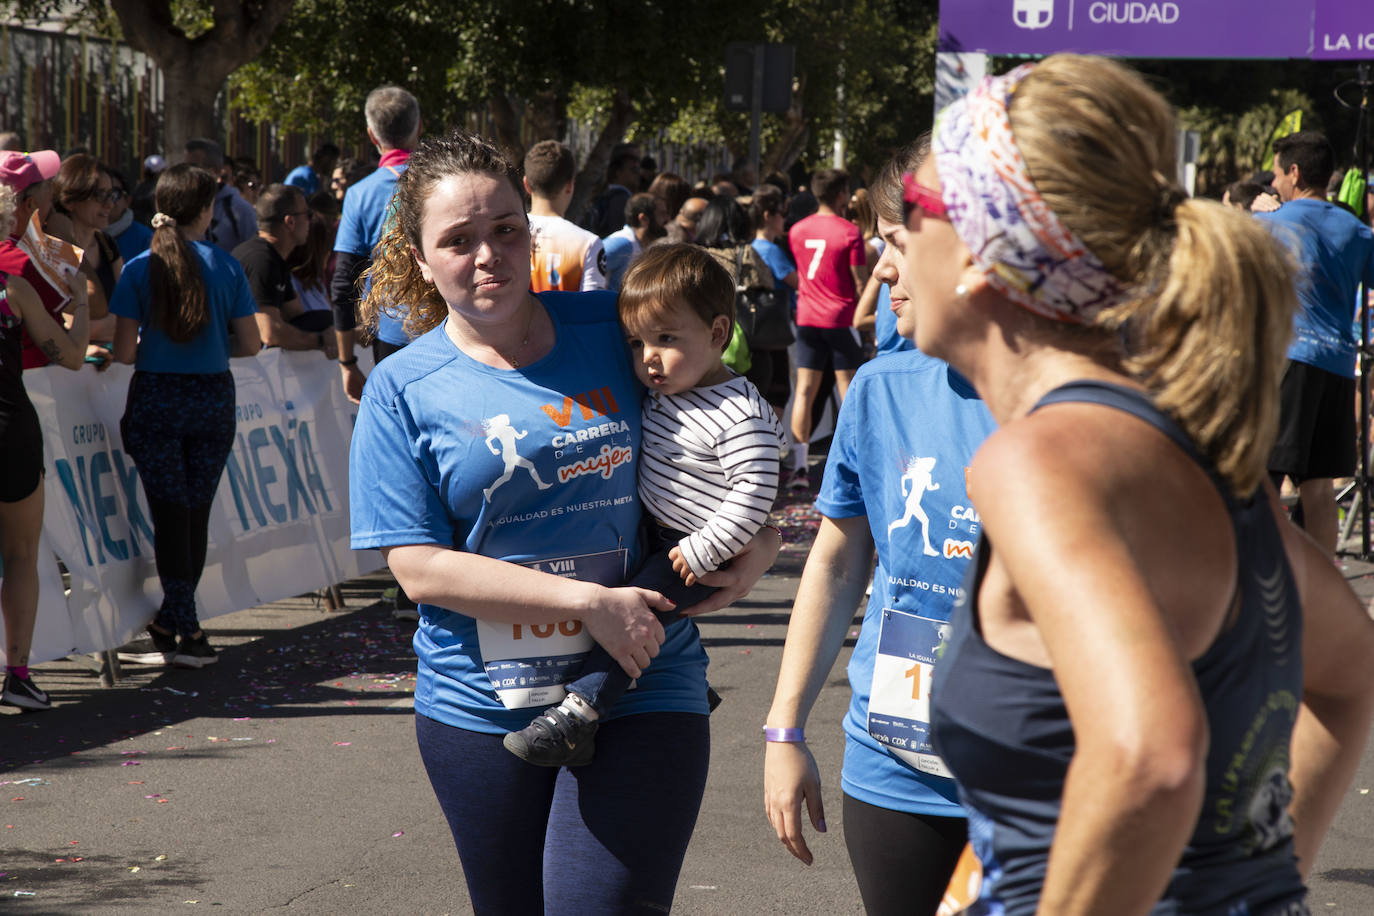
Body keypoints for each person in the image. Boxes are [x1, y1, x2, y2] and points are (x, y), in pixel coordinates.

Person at [902, 56, 1374, 915]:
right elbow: (1348, 673)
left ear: (978, 251)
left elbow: (1148, 756)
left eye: (910, 209)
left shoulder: (1038, 463)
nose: (890, 241)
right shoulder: (1202, 441)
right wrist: (1254, 882)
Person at [347, 129, 780, 913]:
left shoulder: (611, 327)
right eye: (459, 240)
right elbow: (415, 567)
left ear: (531, 230)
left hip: (646, 679)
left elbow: (728, 417)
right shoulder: (402, 388)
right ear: (418, 257)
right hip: (483, 701)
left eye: (506, 230)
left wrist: (764, 540)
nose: (488, 256)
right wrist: (591, 605)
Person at [764, 139, 997, 914]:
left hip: (1038, 786)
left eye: (895, 246)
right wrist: (784, 729)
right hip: (892, 761)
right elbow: (836, 560)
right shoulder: (882, 387)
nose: (882, 275)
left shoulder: (1096, 410)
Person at [502, 243, 783, 767]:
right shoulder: (671, 390)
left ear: (718, 334)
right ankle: (684, 685)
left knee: (631, 622)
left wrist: (707, 548)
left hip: (694, 545)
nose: (648, 357)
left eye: (667, 339)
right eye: (636, 343)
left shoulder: (739, 412)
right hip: (661, 531)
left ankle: (575, 716)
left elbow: (755, 491)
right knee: (642, 615)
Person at [110, 163, 262, 669]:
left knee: (172, 516)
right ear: (205, 210)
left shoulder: (137, 268)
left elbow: (124, 354)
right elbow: (251, 343)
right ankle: (180, 624)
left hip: (156, 397)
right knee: (193, 515)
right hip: (212, 398)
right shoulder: (226, 266)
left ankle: (184, 625)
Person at [1256, 130, 1374, 556]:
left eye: (1276, 176)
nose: (1274, 186)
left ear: (1295, 172)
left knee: (1263, 477)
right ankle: (1323, 584)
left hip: (1292, 359)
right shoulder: (1359, 231)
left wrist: (1255, 212)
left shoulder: (1270, 221)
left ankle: (1262, 578)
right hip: (1339, 365)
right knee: (1318, 483)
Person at [0, 182, 91, 710]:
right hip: (8, 427)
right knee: (19, 554)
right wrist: (78, 300)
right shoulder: (14, 287)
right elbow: (72, 355)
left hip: (11, 428)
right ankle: (17, 673)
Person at [331, 85, 421, 402]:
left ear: (372, 135)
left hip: (392, 338)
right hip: (451, 332)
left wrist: (347, 363)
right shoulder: (444, 183)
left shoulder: (359, 194)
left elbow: (343, 282)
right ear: (419, 127)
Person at [786, 168, 869, 489]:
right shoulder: (849, 232)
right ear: (840, 194)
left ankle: (800, 468)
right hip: (840, 319)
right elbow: (860, 282)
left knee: (804, 392)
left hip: (807, 318)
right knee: (848, 392)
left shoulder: (797, 230)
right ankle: (856, 464)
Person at [232, 183, 335, 356]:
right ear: (290, 222)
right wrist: (321, 340)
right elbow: (269, 333)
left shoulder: (274, 258)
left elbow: (296, 315)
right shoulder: (262, 260)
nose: (310, 221)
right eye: (307, 215)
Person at [523, 140, 607, 292]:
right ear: (570, 185)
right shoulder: (588, 244)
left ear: (526, 184)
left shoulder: (505, 234)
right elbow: (592, 308)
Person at [748, 184, 799, 418]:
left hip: (756, 328)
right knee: (779, 391)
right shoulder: (770, 250)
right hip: (776, 328)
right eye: (781, 213)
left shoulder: (749, 247)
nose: (784, 219)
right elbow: (799, 283)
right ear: (768, 216)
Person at [602, 192, 662, 291]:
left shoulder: (644, 246)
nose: (668, 219)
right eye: (662, 214)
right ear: (643, 219)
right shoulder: (623, 244)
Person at [583, 147, 641, 238]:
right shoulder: (620, 198)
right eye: (633, 169)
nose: (638, 173)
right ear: (618, 172)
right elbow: (617, 233)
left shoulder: (604, 194)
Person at [104, 164, 153, 264]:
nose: (107, 202)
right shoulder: (79, 235)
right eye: (101, 193)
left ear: (128, 200)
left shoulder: (145, 238)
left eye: (114, 194)